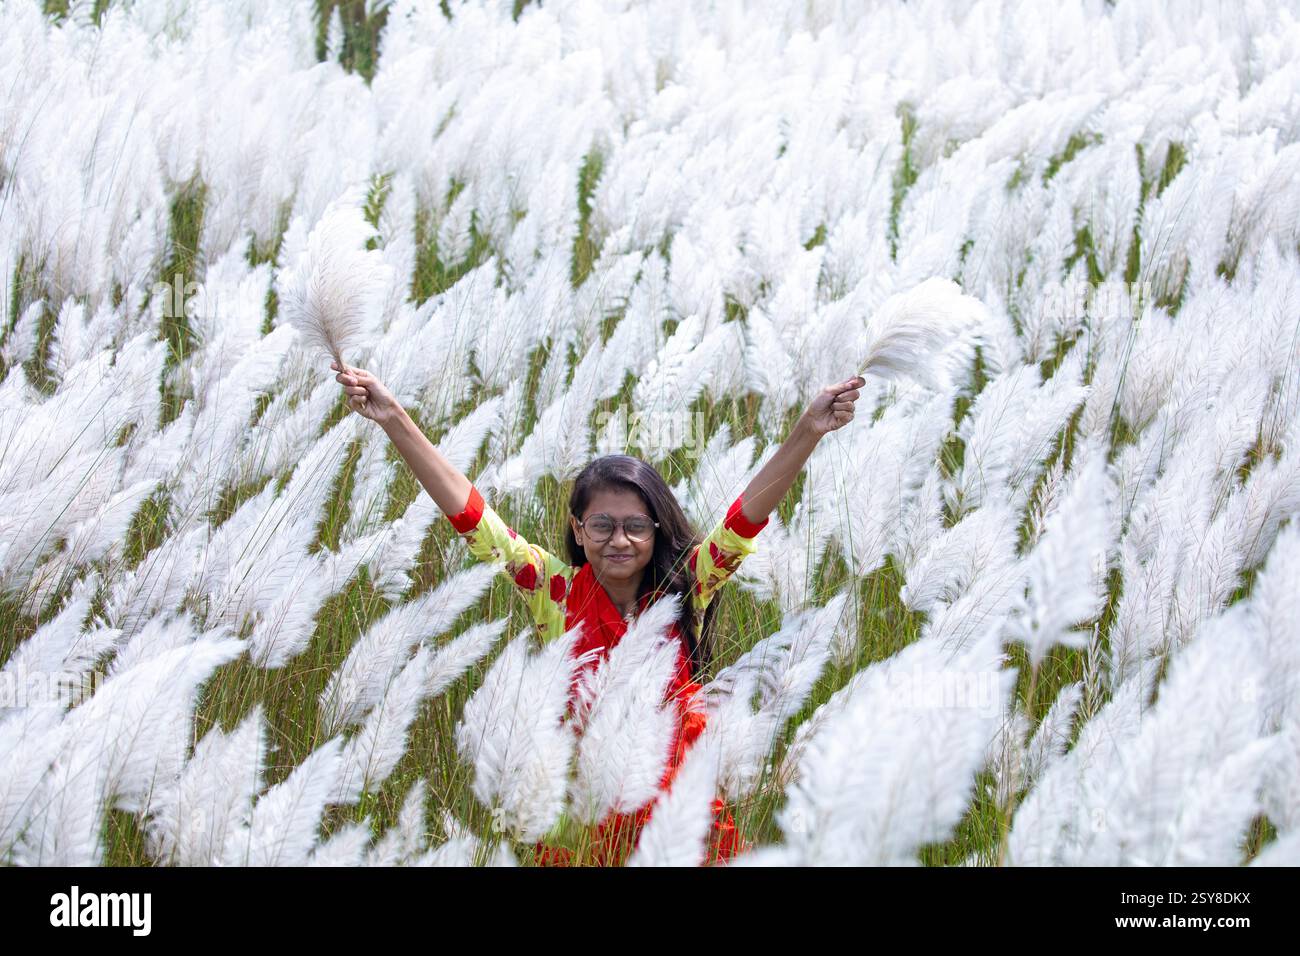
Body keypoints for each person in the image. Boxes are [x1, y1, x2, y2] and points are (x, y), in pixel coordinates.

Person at [332, 359, 865, 865]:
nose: (620, 540)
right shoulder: (552, 591)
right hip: (582, 821)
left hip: (677, 821)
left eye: (636, 525)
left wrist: (808, 431)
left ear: (656, 531)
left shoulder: (687, 589)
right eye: (602, 525)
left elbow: (745, 517)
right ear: (577, 528)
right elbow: (473, 517)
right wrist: (394, 418)